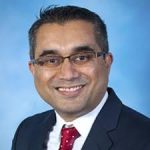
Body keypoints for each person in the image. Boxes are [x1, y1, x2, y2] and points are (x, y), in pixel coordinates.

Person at [11, 5, 150, 150]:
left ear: (107, 62)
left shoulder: (145, 138)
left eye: (82, 57)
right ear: (33, 69)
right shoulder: (26, 131)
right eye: (51, 60)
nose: (68, 74)